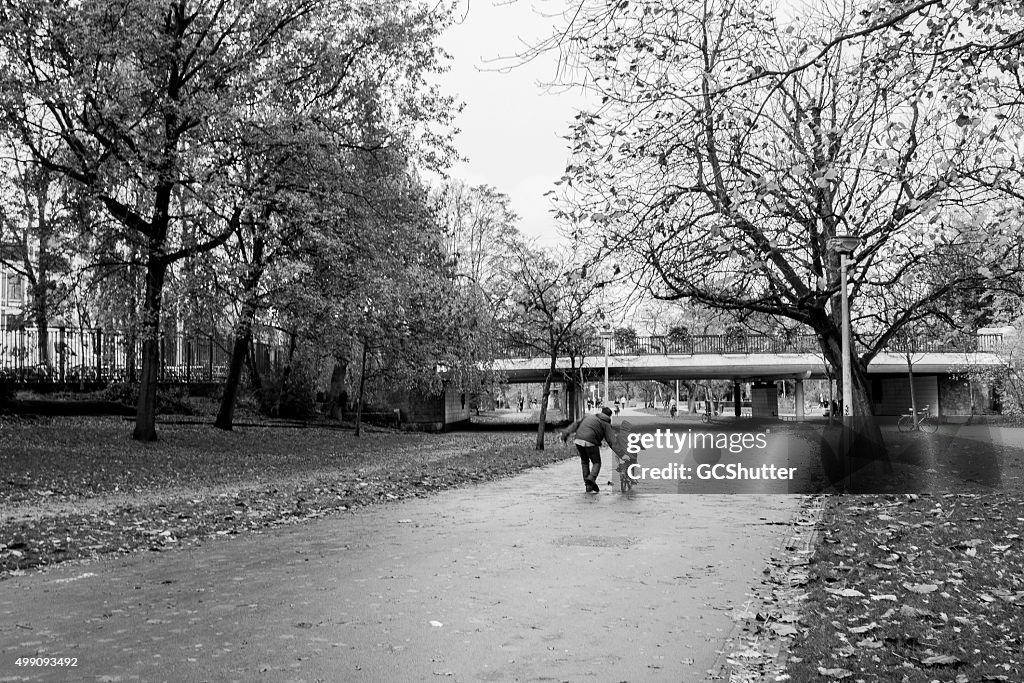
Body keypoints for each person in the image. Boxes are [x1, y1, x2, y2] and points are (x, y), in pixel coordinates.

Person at [560, 406, 618, 493]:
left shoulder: (588, 416)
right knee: (597, 462)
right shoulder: (606, 423)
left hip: (578, 440)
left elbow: (575, 424)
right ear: (609, 416)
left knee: (584, 461)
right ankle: (591, 478)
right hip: (591, 442)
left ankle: (588, 485)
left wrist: (565, 433)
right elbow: (611, 441)